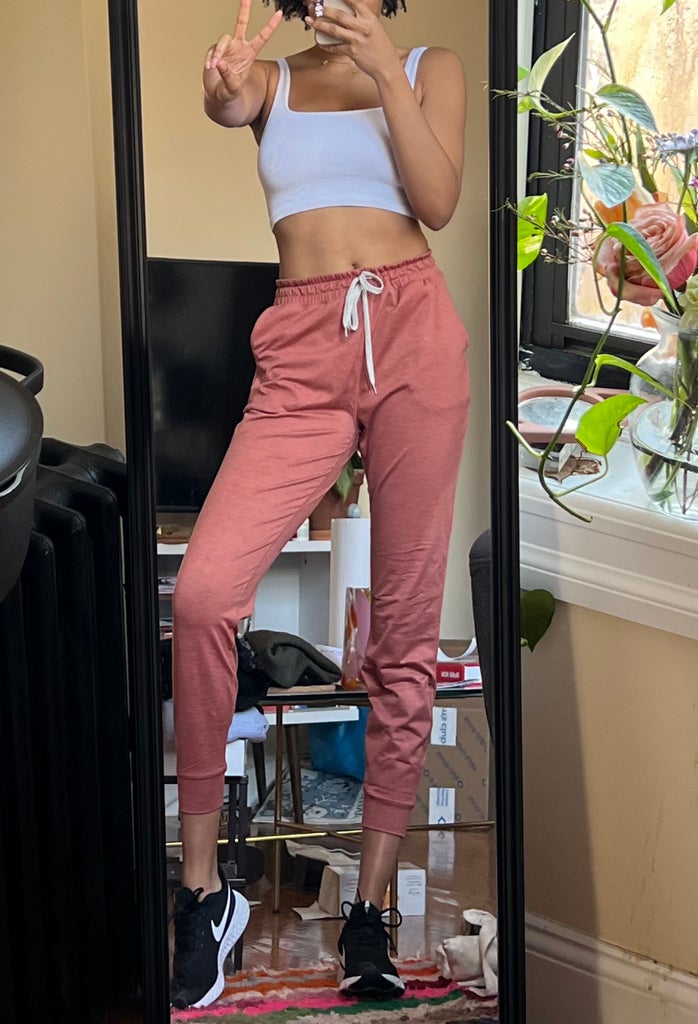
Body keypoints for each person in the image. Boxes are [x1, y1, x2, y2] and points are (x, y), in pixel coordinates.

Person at [169, 0, 469, 1009]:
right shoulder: (277, 79)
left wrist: (385, 68)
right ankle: (205, 892)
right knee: (203, 596)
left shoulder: (430, 67)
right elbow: (229, 103)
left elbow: (438, 201)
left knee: (406, 638)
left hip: (414, 336)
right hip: (302, 353)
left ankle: (368, 914)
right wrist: (222, 89)